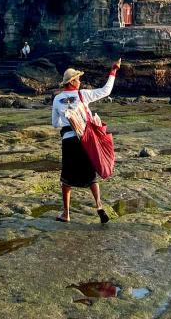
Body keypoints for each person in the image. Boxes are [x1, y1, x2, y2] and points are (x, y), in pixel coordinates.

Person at [51, 58, 121, 224]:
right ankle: (98, 206)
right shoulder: (83, 95)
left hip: (68, 142)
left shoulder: (57, 99)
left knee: (66, 178)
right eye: (78, 78)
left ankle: (66, 214)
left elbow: (55, 123)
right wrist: (113, 71)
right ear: (72, 82)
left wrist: (67, 123)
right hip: (85, 140)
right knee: (91, 176)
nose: (80, 81)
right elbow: (106, 90)